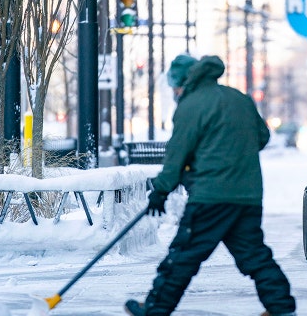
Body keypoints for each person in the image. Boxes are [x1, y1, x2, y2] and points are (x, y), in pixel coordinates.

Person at [124, 54, 297, 316]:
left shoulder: (191, 105)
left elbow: (177, 153)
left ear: (183, 83)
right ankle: (281, 308)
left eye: (174, 86)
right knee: (254, 256)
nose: (174, 92)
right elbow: (261, 137)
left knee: (183, 255)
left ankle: (155, 310)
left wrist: (161, 189)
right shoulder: (240, 98)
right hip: (247, 196)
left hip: (210, 197)